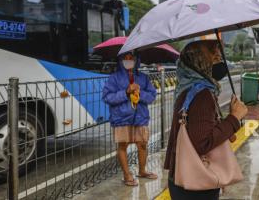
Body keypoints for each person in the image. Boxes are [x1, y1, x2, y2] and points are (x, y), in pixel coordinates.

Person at [164, 40, 248, 200]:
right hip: (196, 184)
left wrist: (225, 125)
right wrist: (234, 118)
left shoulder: (187, 88)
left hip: (182, 178)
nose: (219, 61)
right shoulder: (202, 94)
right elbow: (202, 142)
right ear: (199, 62)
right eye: (214, 56)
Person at [102, 52, 158, 186]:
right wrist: (126, 92)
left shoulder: (143, 78)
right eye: (125, 58)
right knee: (123, 145)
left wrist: (140, 93)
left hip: (140, 117)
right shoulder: (114, 78)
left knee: (142, 144)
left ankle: (142, 171)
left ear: (137, 60)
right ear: (120, 60)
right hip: (121, 117)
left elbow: (152, 96)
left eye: (131, 58)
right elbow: (107, 97)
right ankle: (127, 175)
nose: (128, 60)